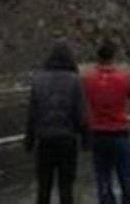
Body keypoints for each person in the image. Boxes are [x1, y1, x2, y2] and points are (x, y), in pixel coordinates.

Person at [25, 42, 89, 204]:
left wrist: (30, 139)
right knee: (65, 186)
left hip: (45, 139)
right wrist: (86, 139)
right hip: (67, 139)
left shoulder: (38, 80)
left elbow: (33, 112)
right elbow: (80, 113)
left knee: (44, 187)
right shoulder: (74, 81)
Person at [82, 40, 130, 204]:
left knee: (103, 178)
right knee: (125, 176)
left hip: (98, 133)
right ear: (113, 57)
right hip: (119, 132)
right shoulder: (123, 78)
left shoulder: (88, 80)